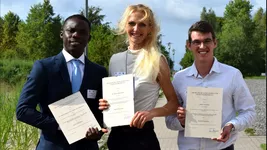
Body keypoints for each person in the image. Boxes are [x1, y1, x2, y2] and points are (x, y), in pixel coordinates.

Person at [16, 14, 108, 150]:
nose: (76, 35)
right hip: (52, 146)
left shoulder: (99, 72)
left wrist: (97, 132)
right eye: (71, 31)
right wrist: (60, 125)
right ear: (61, 34)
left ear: (89, 38)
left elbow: (100, 112)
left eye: (82, 32)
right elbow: (23, 110)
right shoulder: (44, 68)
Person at [98, 4, 179, 150]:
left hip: (143, 138)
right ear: (125, 26)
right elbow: (113, 99)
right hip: (116, 138)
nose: (136, 29)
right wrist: (105, 105)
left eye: (142, 24)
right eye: (132, 23)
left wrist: (151, 113)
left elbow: (173, 104)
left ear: (150, 29)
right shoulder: (114, 59)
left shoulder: (157, 60)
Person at [165, 20, 256, 150]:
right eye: (197, 42)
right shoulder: (179, 78)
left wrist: (231, 125)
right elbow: (169, 121)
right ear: (188, 45)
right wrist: (182, 122)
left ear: (215, 43)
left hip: (222, 147)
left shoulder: (232, 75)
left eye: (207, 41)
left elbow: (249, 112)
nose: (202, 46)